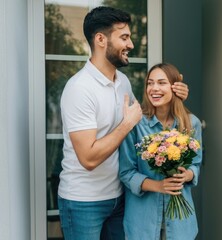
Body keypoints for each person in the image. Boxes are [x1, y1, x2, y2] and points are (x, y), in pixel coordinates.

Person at [58, 7, 189, 240]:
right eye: (124, 37)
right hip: (83, 203)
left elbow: (145, 119)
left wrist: (175, 96)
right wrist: (126, 125)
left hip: (119, 197)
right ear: (101, 40)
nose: (130, 44)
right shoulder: (79, 89)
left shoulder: (123, 82)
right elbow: (88, 158)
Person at [119, 63, 202, 240]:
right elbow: (126, 173)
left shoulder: (190, 123)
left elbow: (196, 164)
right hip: (142, 222)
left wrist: (187, 175)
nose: (154, 88)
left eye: (161, 83)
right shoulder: (136, 123)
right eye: (150, 83)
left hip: (181, 224)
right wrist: (158, 186)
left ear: (175, 87)